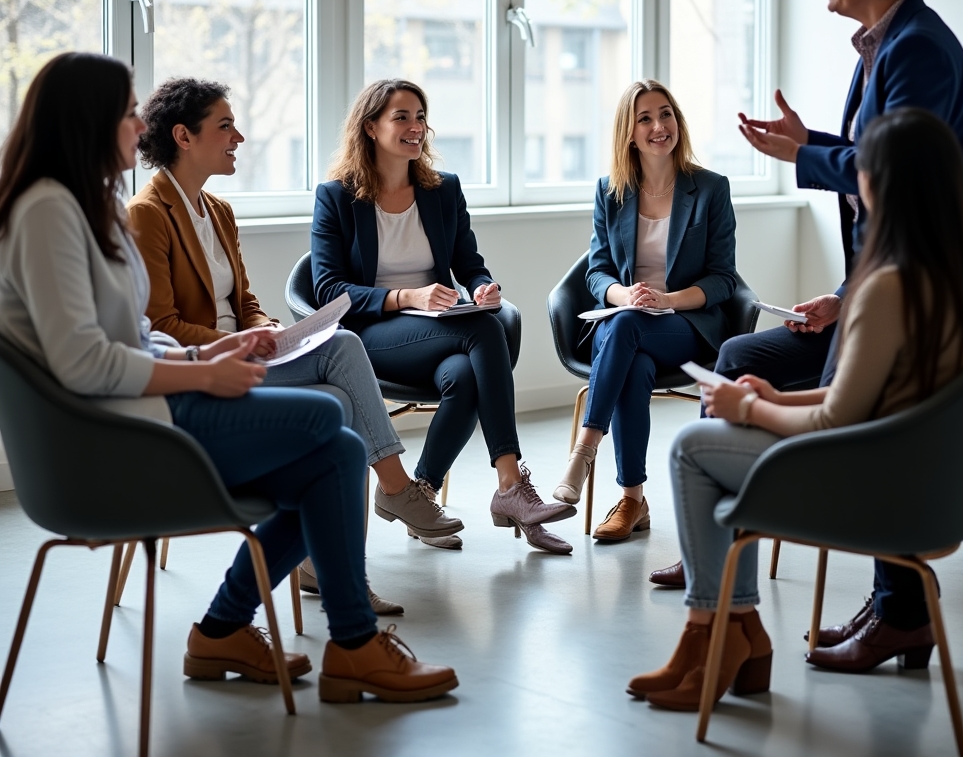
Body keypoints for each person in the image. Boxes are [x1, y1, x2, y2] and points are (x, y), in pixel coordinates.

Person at [0, 53, 457, 703]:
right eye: (129, 111)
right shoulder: (50, 211)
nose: (139, 124)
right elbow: (83, 363)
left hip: (146, 408)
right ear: (88, 120)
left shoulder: (89, 203)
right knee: (329, 427)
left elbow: (132, 332)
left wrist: (206, 358)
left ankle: (241, 631)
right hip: (112, 438)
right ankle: (331, 642)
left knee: (336, 449)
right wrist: (200, 376)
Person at [648, 0, 963, 590]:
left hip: (928, 280)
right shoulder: (886, 42)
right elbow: (880, 155)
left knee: (858, 397)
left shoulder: (915, 47)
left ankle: (892, 603)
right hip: (898, 278)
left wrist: (803, 156)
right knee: (739, 355)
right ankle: (729, 527)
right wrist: (813, 147)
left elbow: (902, 169)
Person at [629, 108, 963, 711]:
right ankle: (730, 635)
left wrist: (749, 410)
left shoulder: (888, 284)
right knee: (720, 428)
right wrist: (777, 398)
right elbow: (880, 396)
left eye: (862, 171)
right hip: (940, 485)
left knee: (692, 448)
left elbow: (837, 422)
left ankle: (721, 634)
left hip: (878, 484)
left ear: (886, 185)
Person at [127, 79, 460, 611]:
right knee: (345, 350)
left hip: (245, 354)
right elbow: (159, 326)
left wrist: (268, 329)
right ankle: (394, 492)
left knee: (344, 400)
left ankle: (321, 567)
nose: (239, 135)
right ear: (184, 137)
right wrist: (239, 343)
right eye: (225, 126)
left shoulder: (217, 211)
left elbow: (246, 301)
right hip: (203, 374)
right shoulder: (147, 214)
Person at [311, 78, 574, 554]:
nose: (416, 127)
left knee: (468, 375)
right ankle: (511, 487)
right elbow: (328, 289)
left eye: (420, 117)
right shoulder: (337, 197)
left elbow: (468, 262)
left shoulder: (442, 189)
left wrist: (479, 287)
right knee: (481, 329)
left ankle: (421, 494)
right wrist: (408, 298)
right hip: (370, 336)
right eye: (401, 117)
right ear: (370, 127)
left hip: (436, 333)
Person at [551, 80, 737, 542]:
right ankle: (632, 500)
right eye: (646, 118)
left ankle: (584, 451)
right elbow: (596, 273)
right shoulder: (610, 191)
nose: (659, 126)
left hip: (684, 324)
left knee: (630, 329)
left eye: (666, 114)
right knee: (632, 360)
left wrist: (668, 301)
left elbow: (723, 279)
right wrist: (622, 295)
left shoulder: (710, 188)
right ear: (629, 133)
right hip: (625, 325)